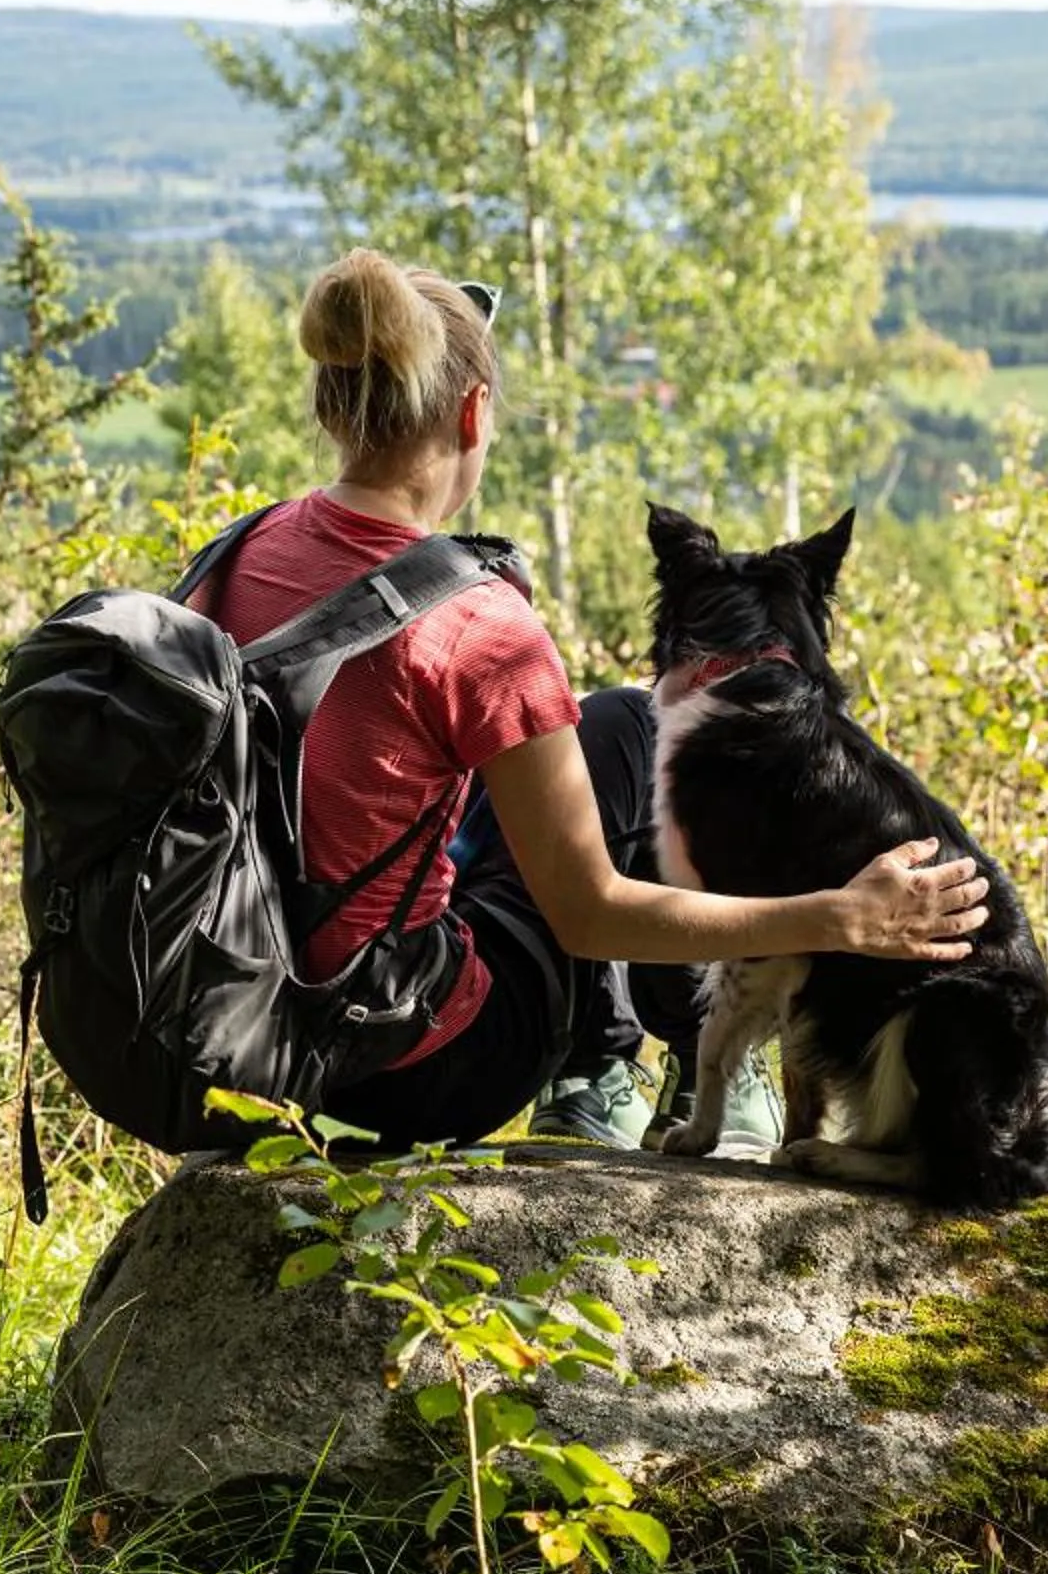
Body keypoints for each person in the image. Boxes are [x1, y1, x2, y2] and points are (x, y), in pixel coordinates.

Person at [185, 248, 987, 1150]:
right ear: (472, 411)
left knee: (558, 754)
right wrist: (838, 918)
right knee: (627, 725)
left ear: (330, 404)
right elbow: (589, 914)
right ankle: (620, 1070)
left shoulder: (237, 552)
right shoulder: (477, 624)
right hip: (408, 1068)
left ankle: (666, 1059)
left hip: (233, 1022)